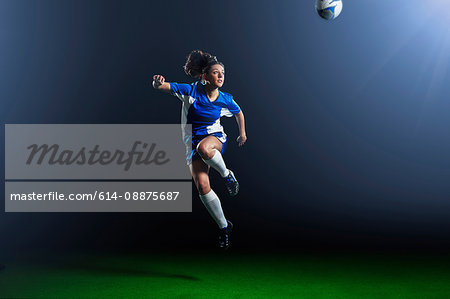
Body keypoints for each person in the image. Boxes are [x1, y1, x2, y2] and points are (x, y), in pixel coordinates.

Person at [152, 50, 247, 249]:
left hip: (215, 140)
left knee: (204, 148)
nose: (220, 76)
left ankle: (227, 174)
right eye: (215, 72)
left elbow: (239, 113)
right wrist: (158, 82)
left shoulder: (226, 98)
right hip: (191, 143)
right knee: (202, 187)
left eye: (222, 72)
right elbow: (164, 86)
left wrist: (242, 134)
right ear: (205, 76)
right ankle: (224, 227)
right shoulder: (191, 91)